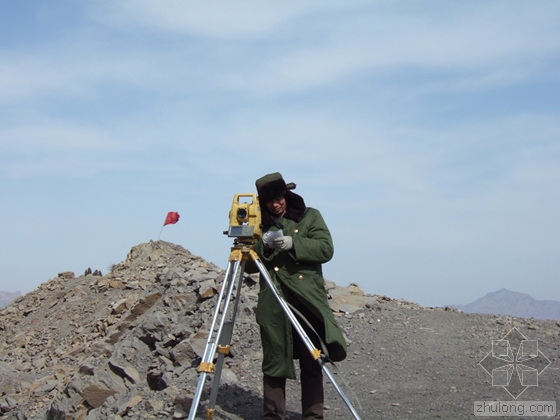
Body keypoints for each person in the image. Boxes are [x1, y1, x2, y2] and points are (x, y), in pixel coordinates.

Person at [249, 172, 347, 420]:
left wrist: (294, 243)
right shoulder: (258, 224)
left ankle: (313, 416)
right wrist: (264, 245)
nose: (276, 204)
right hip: (274, 301)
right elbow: (247, 265)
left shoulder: (310, 216)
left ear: (286, 195)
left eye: (279, 198)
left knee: (311, 362)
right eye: (270, 201)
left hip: (306, 302)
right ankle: (273, 415)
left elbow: (326, 248)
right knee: (274, 362)